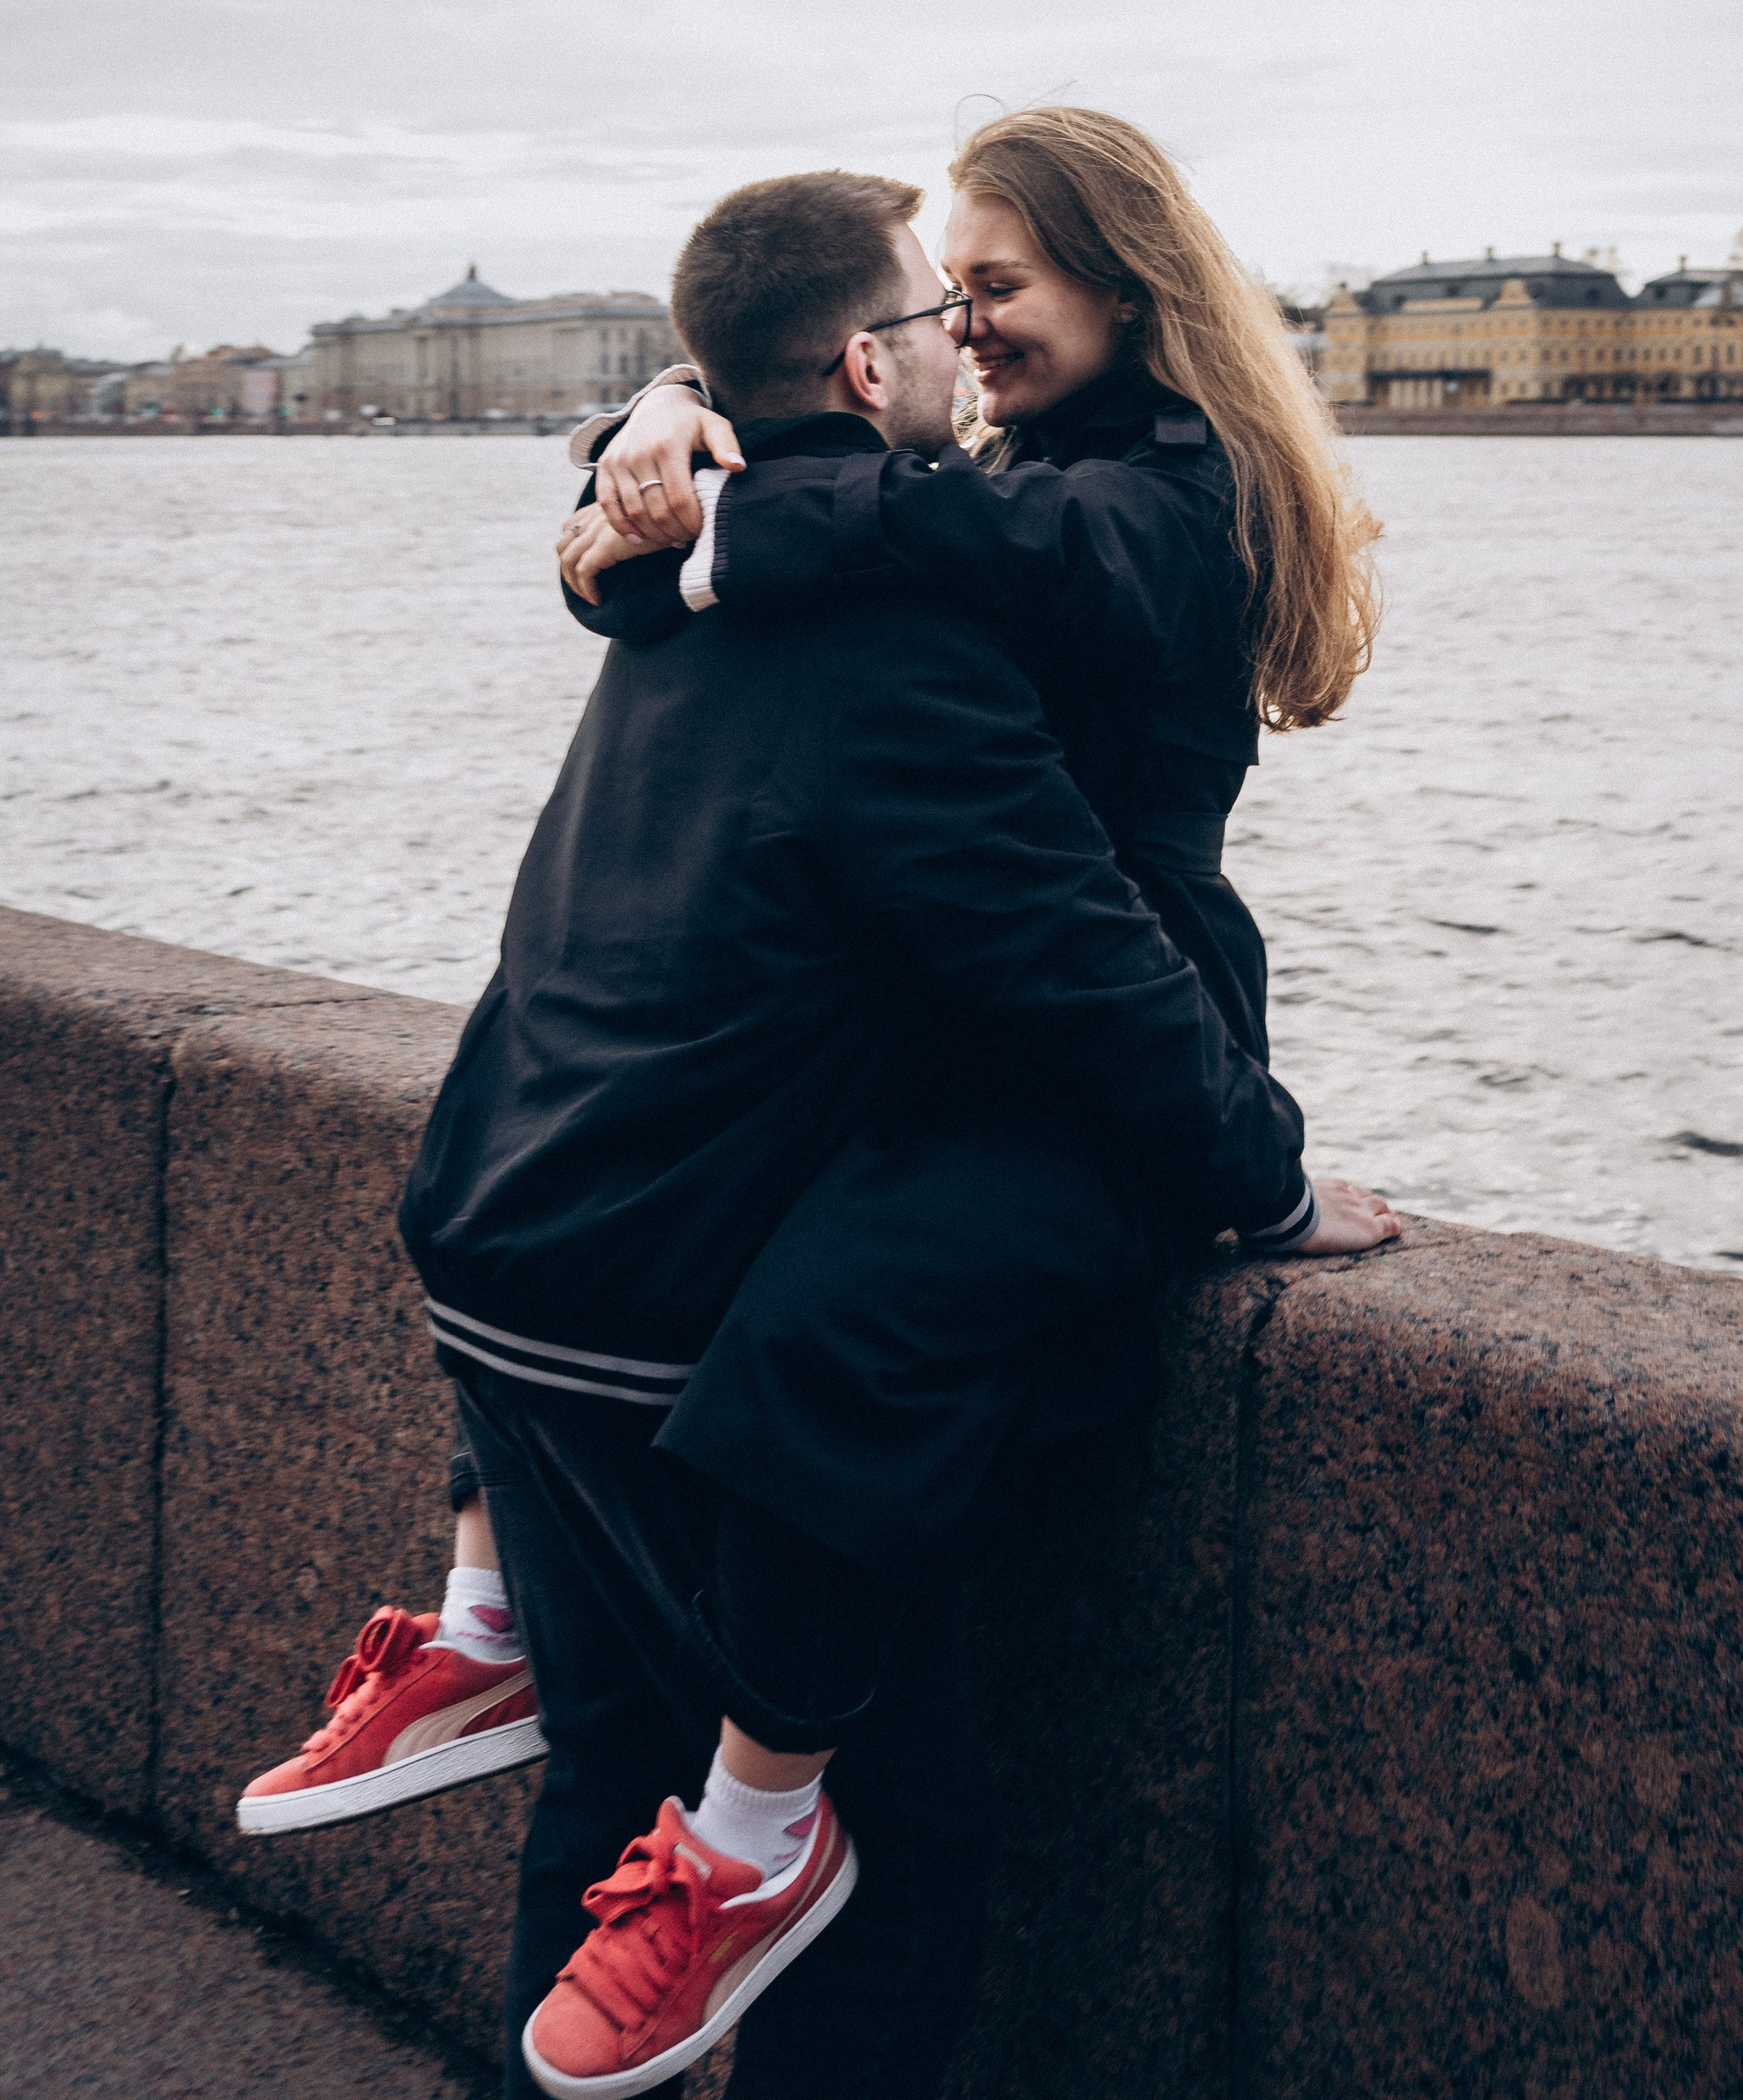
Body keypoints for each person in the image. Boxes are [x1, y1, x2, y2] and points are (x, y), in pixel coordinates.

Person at [239, 159, 1395, 2100]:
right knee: (859, 1828)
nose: (968, 319)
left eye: (997, 285)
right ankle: (589, 1709)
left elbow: (1060, 887)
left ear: (1127, 288)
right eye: (947, 297)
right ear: (878, 360)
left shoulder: (1122, 509)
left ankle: (515, 1646)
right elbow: (1032, 907)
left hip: (758, 1176)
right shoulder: (919, 553)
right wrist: (663, 433)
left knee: (636, 1789)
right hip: (819, 1182)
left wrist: (700, 469)